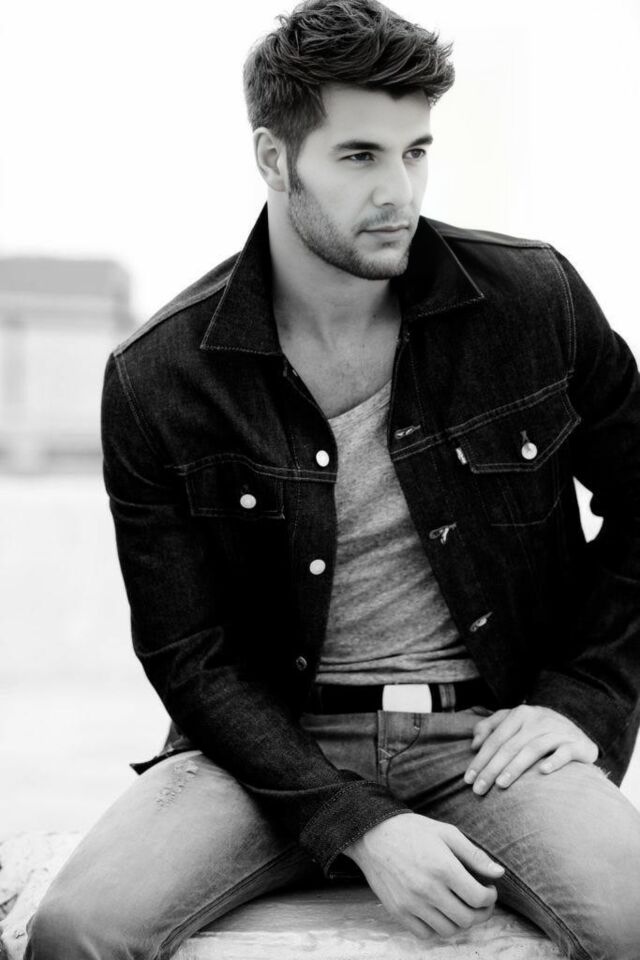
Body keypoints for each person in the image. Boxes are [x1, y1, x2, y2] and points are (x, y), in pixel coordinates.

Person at [25, 1, 640, 957]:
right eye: (359, 156)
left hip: (489, 738)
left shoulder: (533, 302)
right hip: (265, 751)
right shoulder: (162, 378)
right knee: (78, 929)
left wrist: (584, 697)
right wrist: (359, 825)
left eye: (415, 152)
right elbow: (189, 653)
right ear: (274, 160)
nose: (398, 190)